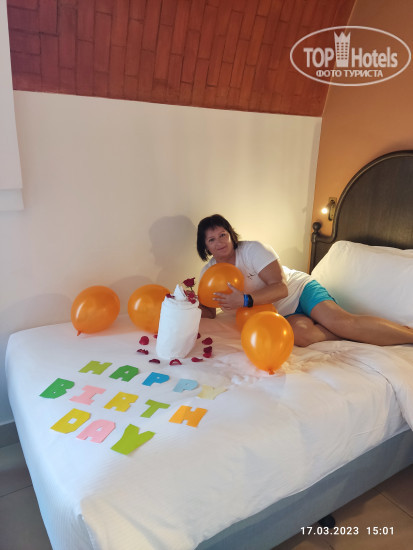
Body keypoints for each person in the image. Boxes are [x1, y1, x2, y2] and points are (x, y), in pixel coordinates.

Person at [196, 214, 413, 347]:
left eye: (223, 235)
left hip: (299, 291)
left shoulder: (253, 250)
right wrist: (186, 304)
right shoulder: (209, 273)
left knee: (344, 323)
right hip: (279, 312)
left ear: (231, 234)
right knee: (301, 336)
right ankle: (343, 333)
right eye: (212, 239)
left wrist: (244, 300)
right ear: (205, 247)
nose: (219, 242)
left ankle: (408, 334)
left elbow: (281, 288)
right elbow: (210, 311)